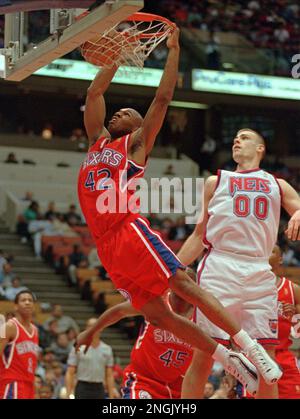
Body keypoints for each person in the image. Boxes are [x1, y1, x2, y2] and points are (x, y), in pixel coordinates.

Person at [77, 26, 278, 392]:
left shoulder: (135, 146)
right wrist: (116, 58)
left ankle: (249, 346)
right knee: (159, 317)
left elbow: (163, 98)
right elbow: (95, 92)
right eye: (119, 110)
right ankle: (226, 357)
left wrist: (173, 51)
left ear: (140, 128)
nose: (121, 110)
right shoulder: (96, 142)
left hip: (127, 229)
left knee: (181, 282)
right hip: (105, 246)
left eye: (130, 111)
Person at [177, 128, 300, 398]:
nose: (236, 140)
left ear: (260, 149)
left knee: (265, 359)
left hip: (259, 269)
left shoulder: (277, 184)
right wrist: (170, 269)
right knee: (204, 353)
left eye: (244, 138)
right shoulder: (215, 181)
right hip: (221, 266)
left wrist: (298, 213)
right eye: (234, 138)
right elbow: (199, 235)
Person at [75, 270, 195, 399]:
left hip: (179, 387)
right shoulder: (158, 302)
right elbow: (119, 311)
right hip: (143, 381)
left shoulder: (202, 316)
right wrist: (91, 332)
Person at [269, 245, 300, 399]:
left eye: (272, 251)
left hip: (282, 356)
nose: (267, 253)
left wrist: (295, 316)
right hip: (254, 355)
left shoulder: (293, 289)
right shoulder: (246, 288)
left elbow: (298, 332)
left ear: (280, 259)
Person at [0, 290, 39, 399]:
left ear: (34, 306)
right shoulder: (9, 327)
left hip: (29, 385)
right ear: (16, 306)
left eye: (30, 300)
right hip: (12, 384)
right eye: (23, 300)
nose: (27, 302)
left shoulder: (35, 330)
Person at [66, 318, 115, 399]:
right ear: (86, 328)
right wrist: (68, 394)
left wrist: (111, 396)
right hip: (82, 387)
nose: (93, 328)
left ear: (101, 328)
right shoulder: (78, 347)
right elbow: (70, 372)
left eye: (96, 325)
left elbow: (109, 375)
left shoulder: (107, 349)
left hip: (99, 387)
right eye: (90, 326)